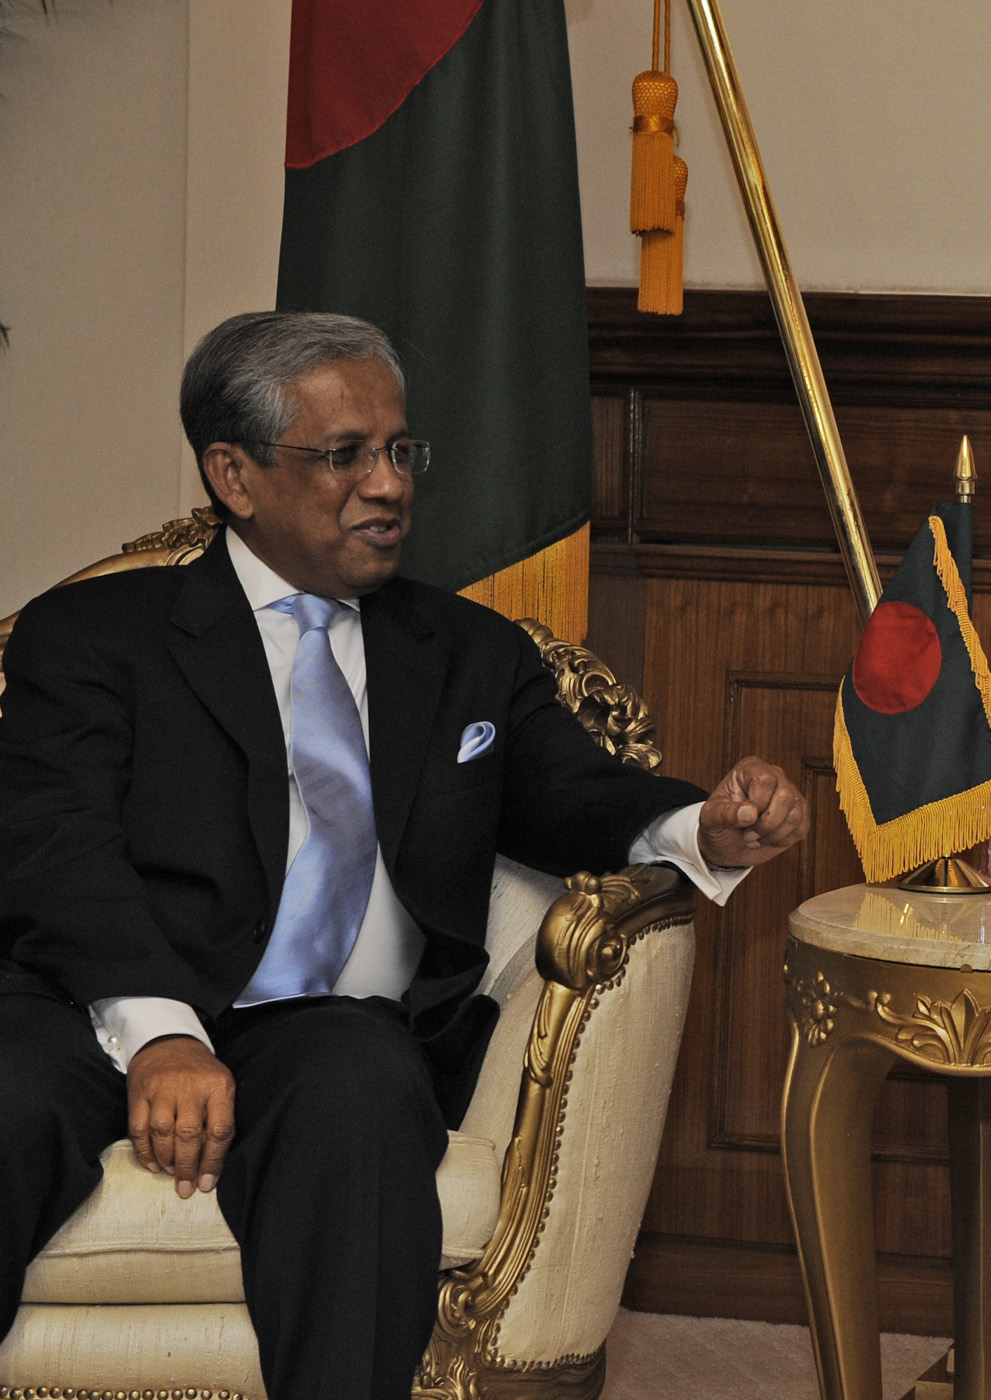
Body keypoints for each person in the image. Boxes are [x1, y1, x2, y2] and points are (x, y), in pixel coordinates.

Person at [0, 311, 811, 1399]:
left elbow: (568, 790)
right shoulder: (95, 635)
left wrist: (699, 825)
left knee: (362, 1091)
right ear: (233, 475)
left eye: (398, 449)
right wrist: (158, 1034)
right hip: (101, 998)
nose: (387, 484)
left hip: (330, 1021)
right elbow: (60, 845)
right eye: (344, 455)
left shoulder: (470, 648)